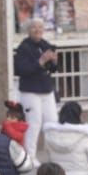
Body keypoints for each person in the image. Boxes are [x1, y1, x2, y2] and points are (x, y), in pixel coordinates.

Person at [13, 18, 59, 161]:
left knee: (52, 123)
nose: (37, 30)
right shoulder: (23, 48)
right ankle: (30, 157)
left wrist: (54, 61)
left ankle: (54, 154)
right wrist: (40, 61)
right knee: (34, 124)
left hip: (46, 90)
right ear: (28, 30)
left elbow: (53, 69)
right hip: (30, 91)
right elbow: (21, 70)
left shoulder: (46, 44)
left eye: (40, 27)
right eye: (34, 27)